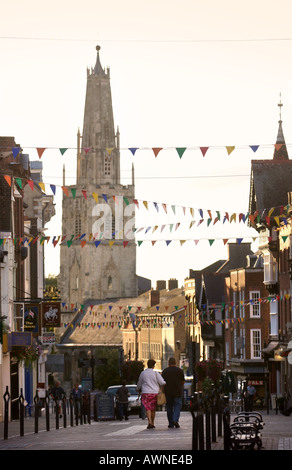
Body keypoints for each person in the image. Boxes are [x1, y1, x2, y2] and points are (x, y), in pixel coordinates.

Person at [136, 359, 166, 429]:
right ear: (154, 365)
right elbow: (162, 382)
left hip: (145, 393)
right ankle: (152, 422)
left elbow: (139, 383)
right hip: (154, 393)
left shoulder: (143, 373)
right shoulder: (156, 373)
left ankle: (149, 421)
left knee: (147, 408)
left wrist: (137, 389)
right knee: (153, 408)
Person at [162, 357, 185, 428]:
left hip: (168, 392)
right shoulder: (180, 371)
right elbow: (183, 381)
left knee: (169, 407)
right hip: (177, 391)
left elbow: (162, 382)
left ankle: (171, 423)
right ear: (175, 363)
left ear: (169, 363)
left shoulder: (165, 371)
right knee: (177, 406)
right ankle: (175, 420)